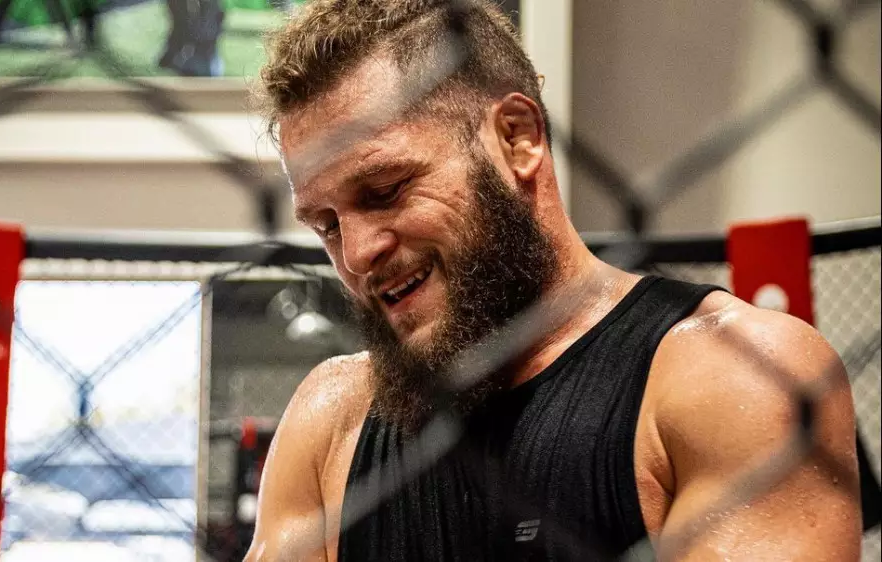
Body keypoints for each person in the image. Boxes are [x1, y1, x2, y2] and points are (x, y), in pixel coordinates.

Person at [245, 1, 862, 560]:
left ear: (516, 138)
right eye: (326, 225)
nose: (356, 254)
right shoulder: (331, 419)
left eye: (386, 190)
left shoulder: (732, 375)